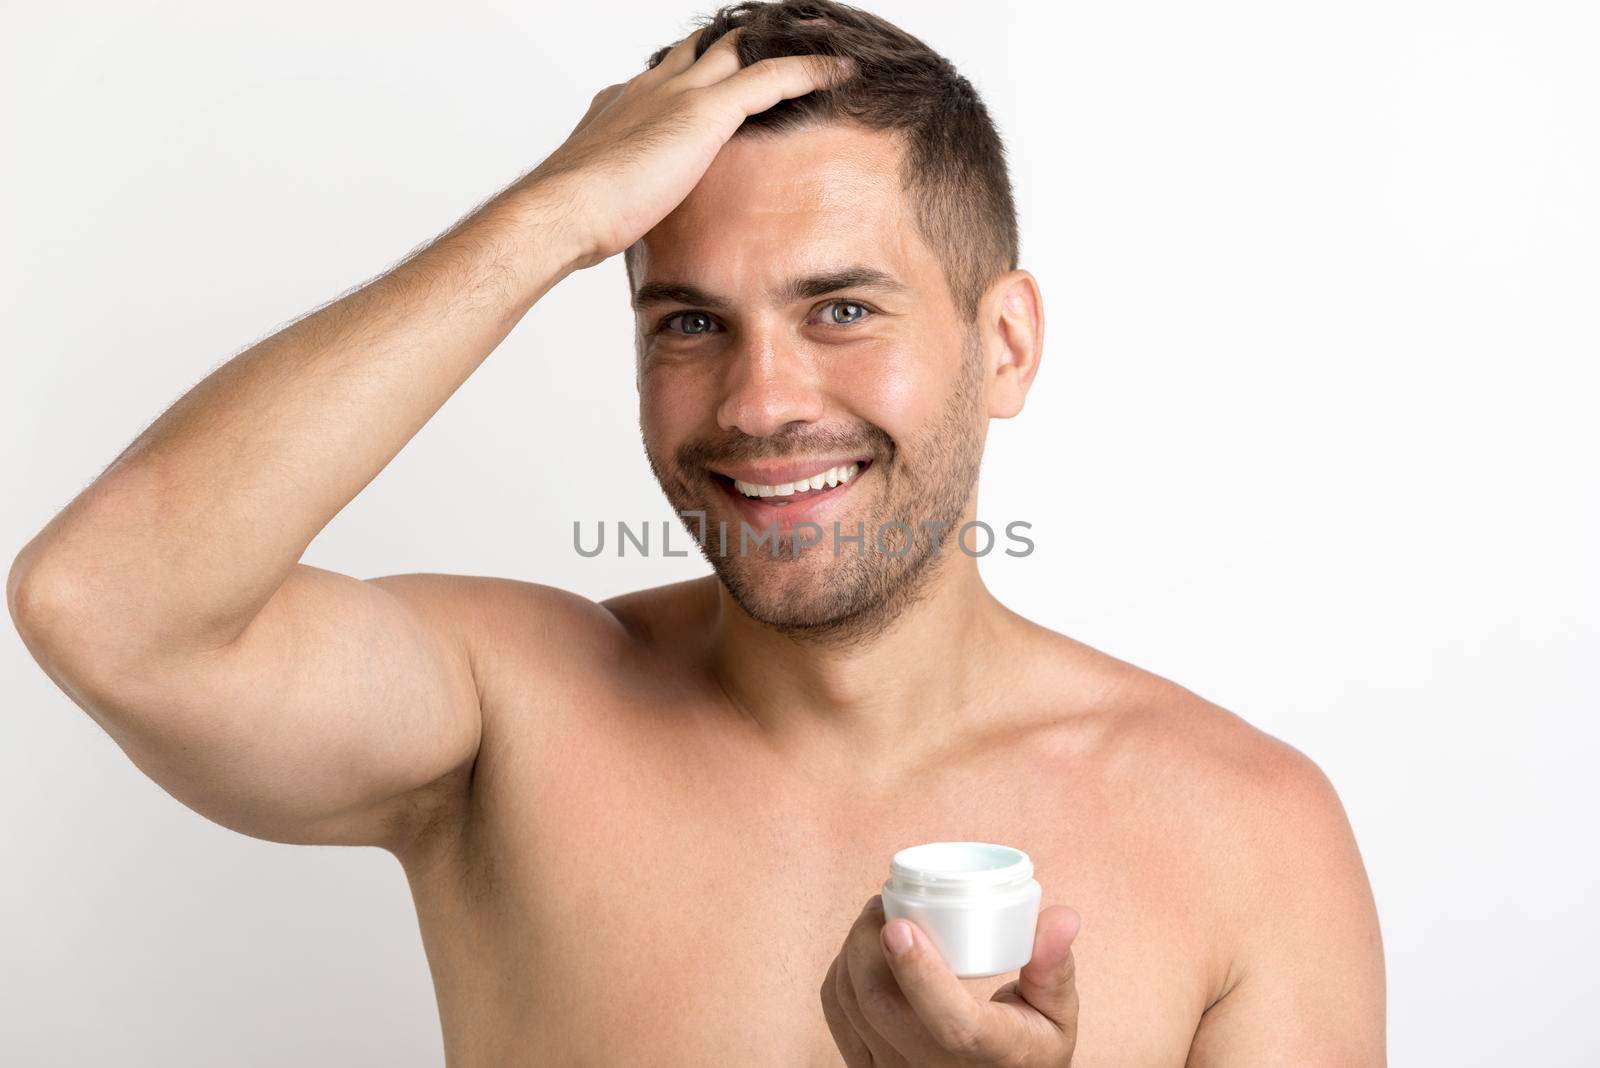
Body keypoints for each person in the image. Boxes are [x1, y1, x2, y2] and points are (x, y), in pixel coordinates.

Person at [6, 1, 1385, 1063]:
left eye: (841, 307)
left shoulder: (1248, 836)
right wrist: (554, 216)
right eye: (687, 322)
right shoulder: (509, 720)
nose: (762, 402)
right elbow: (104, 603)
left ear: (1006, 344)